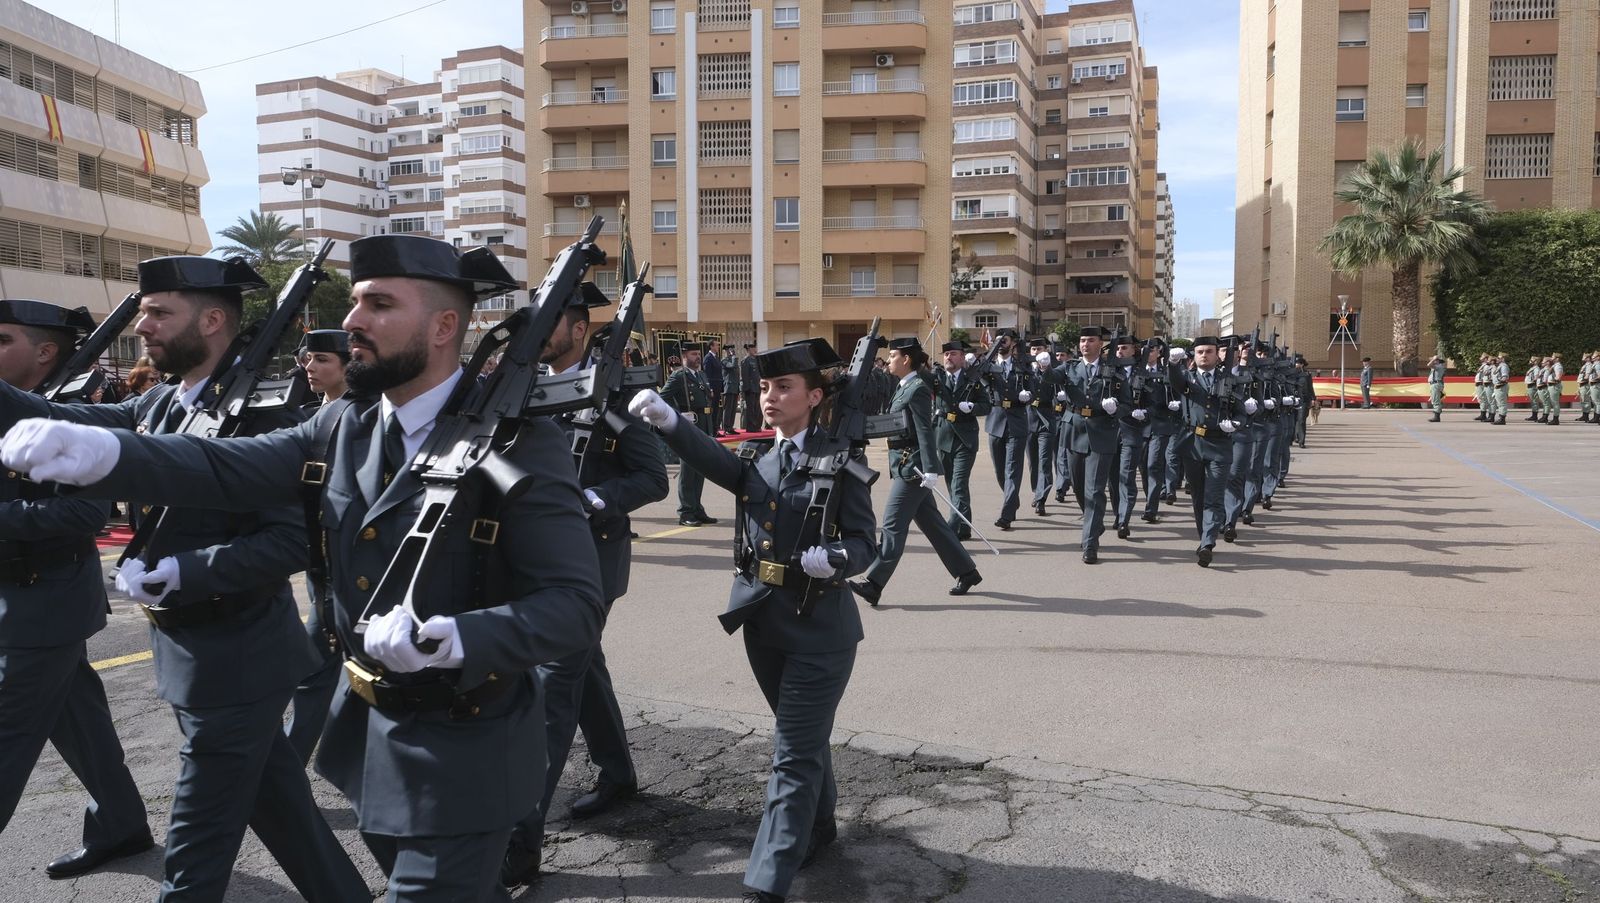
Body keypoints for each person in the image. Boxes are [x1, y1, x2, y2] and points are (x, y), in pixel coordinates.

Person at [3, 235, 606, 902]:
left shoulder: (519, 443)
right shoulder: (346, 425)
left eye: (378, 304)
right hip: (370, 741)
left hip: (468, 745)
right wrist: (102, 452)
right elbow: (225, 465)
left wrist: (459, 637)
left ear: (443, 327)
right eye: (354, 303)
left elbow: (574, 603)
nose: (351, 322)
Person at [0, 258, 366, 901]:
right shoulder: (164, 403)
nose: (142, 325)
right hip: (190, 651)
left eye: (158, 312)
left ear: (214, 319)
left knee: (193, 860)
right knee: (282, 810)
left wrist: (185, 571)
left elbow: (290, 540)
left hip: (240, 653)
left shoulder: (265, 416)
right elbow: (62, 416)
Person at [626, 338, 877, 903]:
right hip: (763, 623)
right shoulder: (765, 457)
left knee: (790, 753)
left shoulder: (842, 463)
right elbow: (720, 465)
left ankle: (765, 882)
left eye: (783, 387)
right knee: (804, 743)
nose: (769, 397)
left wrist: (839, 559)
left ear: (814, 396)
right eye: (764, 387)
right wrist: (670, 423)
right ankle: (819, 827)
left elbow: (868, 543)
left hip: (819, 631)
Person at [503, 282, 669, 888]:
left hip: (590, 562)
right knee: (584, 669)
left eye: (551, 322)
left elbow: (653, 479)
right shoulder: (523, 385)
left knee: (552, 688)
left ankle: (520, 842)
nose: (538, 333)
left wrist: (593, 498)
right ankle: (618, 773)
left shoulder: (616, 391)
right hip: (529, 558)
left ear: (579, 328)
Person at [0, 300, 153, 880]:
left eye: (2, 338)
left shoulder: (71, 420)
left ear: (43, 352)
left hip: (47, 601)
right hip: (17, 597)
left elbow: (88, 512)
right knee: (78, 721)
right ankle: (121, 824)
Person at [848, 337, 982, 606]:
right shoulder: (903, 386)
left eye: (894, 355)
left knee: (892, 525)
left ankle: (874, 583)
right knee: (935, 526)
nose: (890, 360)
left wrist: (931, 469)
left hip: (913, 469)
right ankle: (967, 572)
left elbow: (924, 430)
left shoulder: (917, 388)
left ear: (906, 359)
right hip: (903, 463)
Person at [283, 328, 353, 765]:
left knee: (317, 669)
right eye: (307, 359)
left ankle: (285, 770)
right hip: (318, 562)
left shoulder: (365, 417)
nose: (309, 367)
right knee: (317, 669)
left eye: (321, 359)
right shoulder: (307, 415)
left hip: (352, 564)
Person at [1174, 336, 1248, 567]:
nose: (1204, 355)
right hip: (1193, 444)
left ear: (1218, 355)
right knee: (1198, 495)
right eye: (1199, 352)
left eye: (1208, 351)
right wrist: (1172, 364)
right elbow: (1174, 380)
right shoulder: (1187, 378)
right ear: (1194, 356)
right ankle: (1204, 535)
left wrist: (1235, 424)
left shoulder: (1231, 380)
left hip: (1220, 444)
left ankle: (1207, 543)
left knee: (1214, 497)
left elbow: (1241, 412)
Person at [1056, 326, 1119, 563]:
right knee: (1080, 488)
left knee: (1094, 490)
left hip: (1102, 431)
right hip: (1074, 430)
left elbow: (1125, 403)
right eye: (1082, 340)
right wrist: (1042, 367)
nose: (1085, 344)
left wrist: (1116, 409)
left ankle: (1090, 543)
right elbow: (1052, 377)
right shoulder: (1071, 366)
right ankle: (1095, 523)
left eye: (1090, 340)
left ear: (1100, 344)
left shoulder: (1113, 368)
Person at [932, 340, 987, 541]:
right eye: (946, 354)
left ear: (962, 358)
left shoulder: (972, 379)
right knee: (952, 484)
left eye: (953, 354)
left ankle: (951, 528)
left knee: (958, 484)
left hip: (965, 438)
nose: (949, 357)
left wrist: (972, 407)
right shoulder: (937, 378)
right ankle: (964, 526)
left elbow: (987, 405)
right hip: (944, 437)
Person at [664, 343, 718, 526]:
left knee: (700, 468)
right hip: (689, 426)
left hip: (704, 425)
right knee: (687, 471)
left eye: (698, 354)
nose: (698, 357)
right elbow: (662, 398)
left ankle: (696, 508)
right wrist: (677, 416)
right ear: (684, 356)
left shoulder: (701, 375)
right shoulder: (679, 376)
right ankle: (685, 511)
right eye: (694, 354)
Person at [980, 332, 1027, 529]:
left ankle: (1006, 514)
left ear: (1013, 343)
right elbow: (977, 377)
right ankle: (1012, 499)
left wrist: (1028, 396)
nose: (1000, 343)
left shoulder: (1022, 365)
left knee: (1012, 470)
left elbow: (1032, 386)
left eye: (1004, 340)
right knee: (1000, 471)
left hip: (1016, 420)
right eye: (997, 340)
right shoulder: (987, 364)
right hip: (996, 420)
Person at [1024, 337, 1060, 517]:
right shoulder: (1025, 370)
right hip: (1029, 419)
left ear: (1046, 350)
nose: (1036, 352)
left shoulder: (1054, 370)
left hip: (1046, 419)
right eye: (1033, 349)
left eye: (1040, 349)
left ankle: (1041, 498)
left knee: (1045, 461)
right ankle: (1036, 490)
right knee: (1033, 462)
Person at [704, 337, 726, 434]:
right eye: (716, 345)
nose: (718, 346)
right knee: (712, 409)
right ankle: (712, 430)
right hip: (712, 387)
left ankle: (715, 429)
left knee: (716, 409)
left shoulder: (716, 357)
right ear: (711, 346)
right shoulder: (708, 358)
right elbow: (707, 375)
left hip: (717, 387)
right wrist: (710, 388)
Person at [740, 341, 762, 431]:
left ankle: (757, 426)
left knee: (757, 408)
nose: (755, 350)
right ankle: (751, 427)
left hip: (757, 387)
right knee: (750, 409)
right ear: (748, 350)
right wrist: (746, 388)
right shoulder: (746, 360)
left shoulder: (756, 359)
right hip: (750, 388)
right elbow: (745, 376)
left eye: (755, 348)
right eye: (753, 349)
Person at [720, 342, 741, 435]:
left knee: (733, 409)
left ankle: (730, 427)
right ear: (726, 351)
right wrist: (733, 357)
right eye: (730, 350)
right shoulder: (724, 360)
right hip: (728, 387)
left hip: (735, 387)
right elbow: (732, 366)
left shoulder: (734, 360)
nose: (732, 351)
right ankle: (726, 427)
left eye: (732, 350)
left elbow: (737, 373)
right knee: (728, 409)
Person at [1427, 354, 1446, 423]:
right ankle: (1437, 415)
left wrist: (1433, 359)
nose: (1433, 361)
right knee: (1436, 399)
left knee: (1436, 400)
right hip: (1436, 384)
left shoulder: (1439, 366)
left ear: (1437, 361)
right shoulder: (1437, 367)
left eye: (1434, 360)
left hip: (1436, 384)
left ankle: (1436, 417)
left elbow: (1428, 365)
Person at [1546, 352, 1564, 425]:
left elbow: (1558, 377)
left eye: (1553, 357)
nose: (1551, 358)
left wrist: (1554, 380)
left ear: (1557, 358)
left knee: (1555, 403)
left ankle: (1556, 419)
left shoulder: (1558, 366)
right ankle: (1555, 418)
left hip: (1554, 385)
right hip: (1552, 385)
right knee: (1553, 403)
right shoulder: (1555, 366)